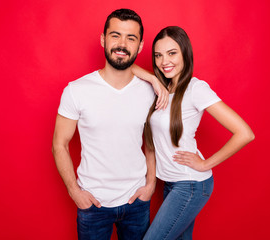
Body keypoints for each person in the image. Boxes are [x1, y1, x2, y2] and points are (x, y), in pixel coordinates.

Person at [52, 9, 169, 240]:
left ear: (141, 45)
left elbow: (151, 143)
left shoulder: (150, 92)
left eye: (131, 38)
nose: (122, 44)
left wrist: (150, 185)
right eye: (115, 35)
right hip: (93, 204)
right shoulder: (76, 91)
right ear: (103, 39)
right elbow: (59, 144)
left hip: (137, 201)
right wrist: (75, 192)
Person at [132, 26, 255, 240]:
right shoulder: (161, 88)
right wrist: (153, 80)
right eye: (158, 55)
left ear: (185, 53)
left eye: (172, 53)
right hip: (170, 183)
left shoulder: (195, 89)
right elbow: (128, 67)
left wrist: (205, 164)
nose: (164, 62)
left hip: (190, 185)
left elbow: (245, 133)